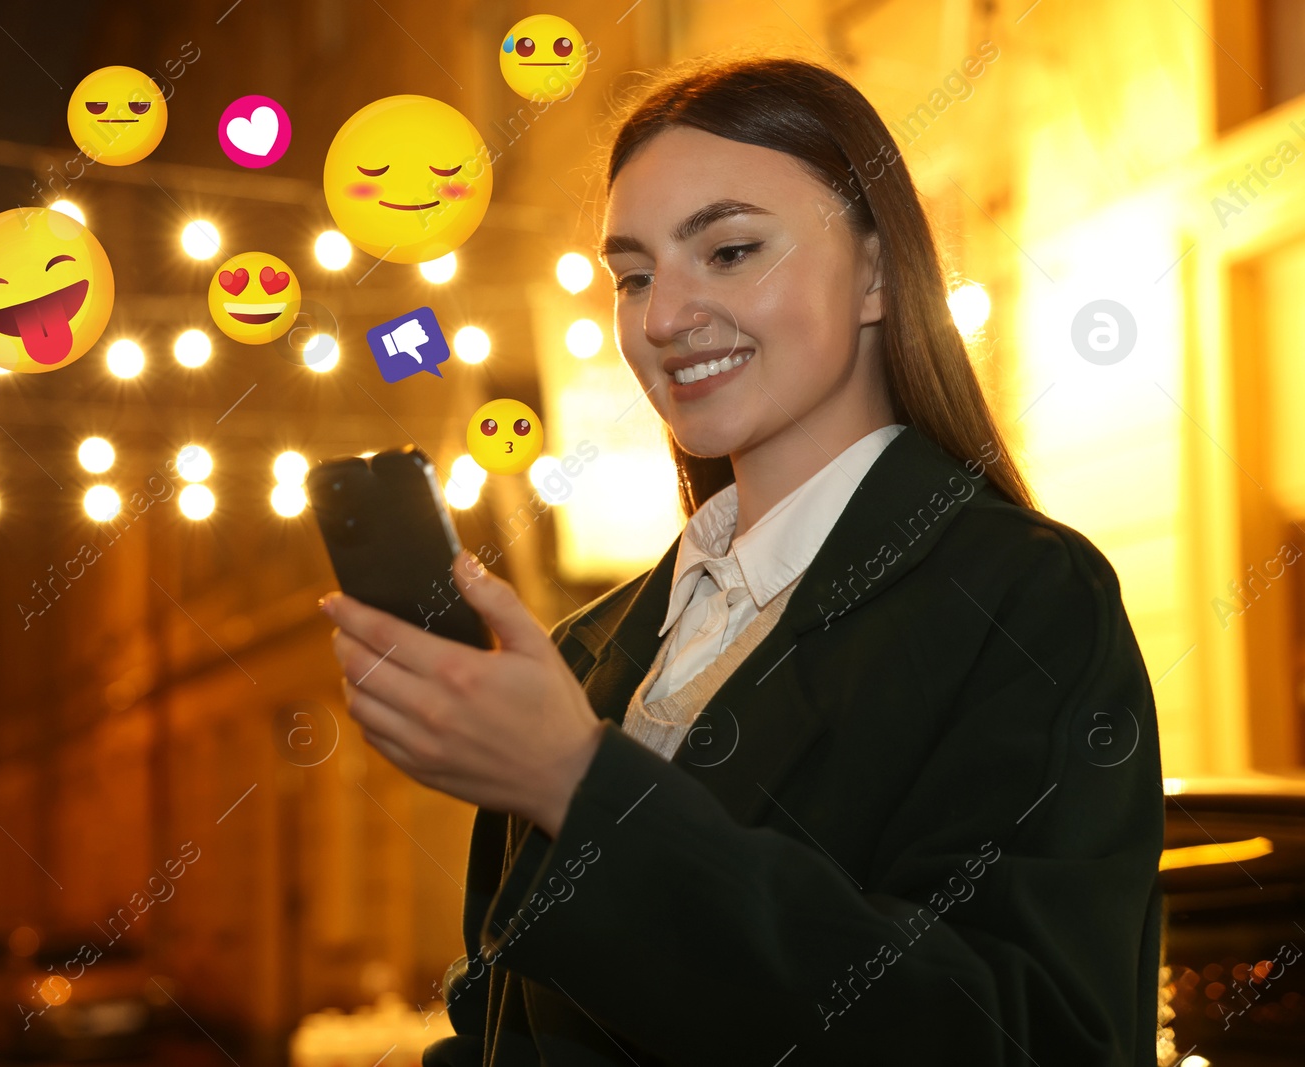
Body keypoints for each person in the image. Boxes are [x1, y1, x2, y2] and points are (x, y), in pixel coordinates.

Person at [322, 55, 1164, 1066]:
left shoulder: (1020, 599)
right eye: (632, 276)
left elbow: (1023, 1039)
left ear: (875, 271)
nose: (663, 318)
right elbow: (512, 1023)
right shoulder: (586, 650)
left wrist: (577, 783)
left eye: (727, 250)